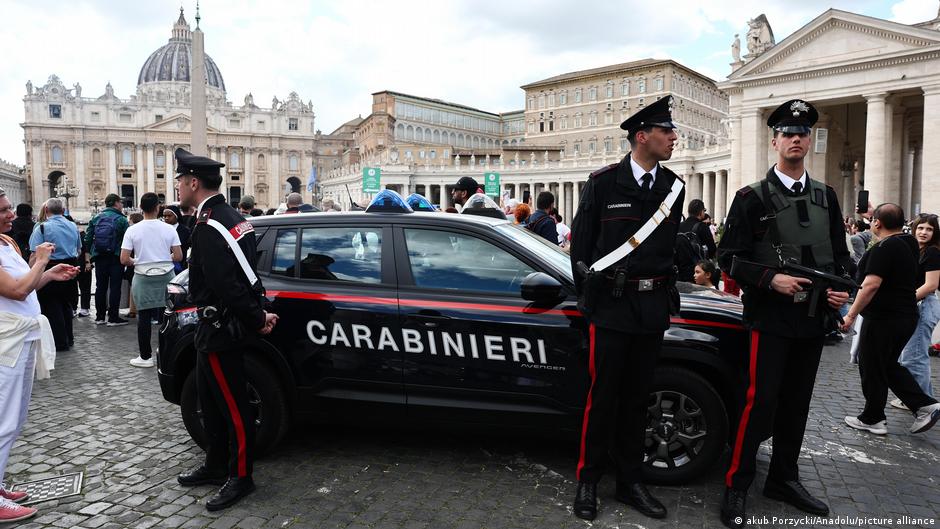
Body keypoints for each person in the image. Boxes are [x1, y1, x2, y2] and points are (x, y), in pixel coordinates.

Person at [716, 100, 852, 529]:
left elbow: (842, 260)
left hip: (813, 320)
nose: (796, 139)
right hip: (770, 319)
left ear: (809, 141)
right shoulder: (749, 198)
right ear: (774, 141)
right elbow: (727, 258)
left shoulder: (826, 197)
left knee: (796, 405)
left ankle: (784, 479)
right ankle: (737, 484)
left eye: (803, 133)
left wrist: (839, 292)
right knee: (761, 403)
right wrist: (769, 279)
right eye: (788, 133)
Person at [569, 95, 684, 521]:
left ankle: (631, 482)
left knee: (639, 400)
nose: (674, 137)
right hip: (612, 309)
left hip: (652, 307)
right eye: (666, 131)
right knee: (602, 399)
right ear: (642, 136)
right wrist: (591, 304)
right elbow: (580, 252)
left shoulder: (674, 186)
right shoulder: (602, 183)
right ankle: (588, 480)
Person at [173, 149, 277, 511]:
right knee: (210, 400)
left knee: (234, 407)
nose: (178, 187)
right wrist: (257, 312)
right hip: (215, 327)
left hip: (221, 329)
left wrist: (257, 318)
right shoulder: (230, 217)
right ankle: (216, 465)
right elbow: (247, 274)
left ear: (194, 183)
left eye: (180, 181)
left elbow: (229, 284)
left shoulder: (209, 225)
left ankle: (241, 476)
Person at [0, 186, 78, 524]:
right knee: (3, 420)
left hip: (22, 337)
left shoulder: (6, 242)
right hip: (7, 342)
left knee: (14, 419)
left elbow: (25, 284)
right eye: (3, 210)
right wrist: (42, 261)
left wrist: (47, 274)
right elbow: (16, 290)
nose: (11, 214)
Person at [841, 204, 940, 435]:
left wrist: (851, 314)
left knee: (871, 364)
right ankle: (924, 405)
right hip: (904, 316)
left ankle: (873, 417)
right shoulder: (909, 244)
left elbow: (871, 285)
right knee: (885, 364)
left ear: (876, 223)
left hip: (885, 317)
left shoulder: (885, 248)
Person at [121, 193, 182, 368]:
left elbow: (124, 259)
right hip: (166, 275)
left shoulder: (132, 230)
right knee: (168, 318)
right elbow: (178, 256)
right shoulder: (170, 229)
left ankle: (145, 357)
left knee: (144, 317)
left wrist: (138, 261)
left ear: (141, 208)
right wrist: (164, 258)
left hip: (143, 276)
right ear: (158, 208)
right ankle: (169, 357)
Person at [893, 213, 940, 407]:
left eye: (929, 229)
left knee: (915, 356)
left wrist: (904, 301)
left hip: (924, 304)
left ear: (935, 233)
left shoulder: (933, 252)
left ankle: (924, 404)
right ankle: (921, 397)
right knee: (912, 354)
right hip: (918, 304)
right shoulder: (916, 250)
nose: (923, 232)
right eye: (920, 228)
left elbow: (930, 285)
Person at [28, 198, 80, 351]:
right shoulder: (73, 225)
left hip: (50, 267)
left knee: (51, 304)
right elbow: (79, 248)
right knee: (66, 304)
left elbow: (34, 252)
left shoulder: (42, 227)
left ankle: (59, 341)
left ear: (46, 210)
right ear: (63, 211)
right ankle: (69, 338)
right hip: (69, 266)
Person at [84, 194, 129, 326]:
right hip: (116, 256)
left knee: (100, 287)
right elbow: (128, 240)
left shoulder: (96, 217)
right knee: (115, 287)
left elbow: (87, 238)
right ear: (116, 203)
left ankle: (100, 317)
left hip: (99, 256)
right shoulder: (121, 219)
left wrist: (89, 257)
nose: (122, 205)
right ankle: (113, 317)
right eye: (120, 202)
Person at [676, 199, 716, 282]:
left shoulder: (679, 226)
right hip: (697, 273)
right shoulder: (702, 227)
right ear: (701, 212)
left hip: (679, 271)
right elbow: (712, 249)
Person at [162, 205, 191, 272]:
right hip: (164, 264)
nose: (166, 218)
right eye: (164, 216)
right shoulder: (161, 229)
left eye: (169, 216)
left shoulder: (184, 230)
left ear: (176, 216)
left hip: (181, 263)